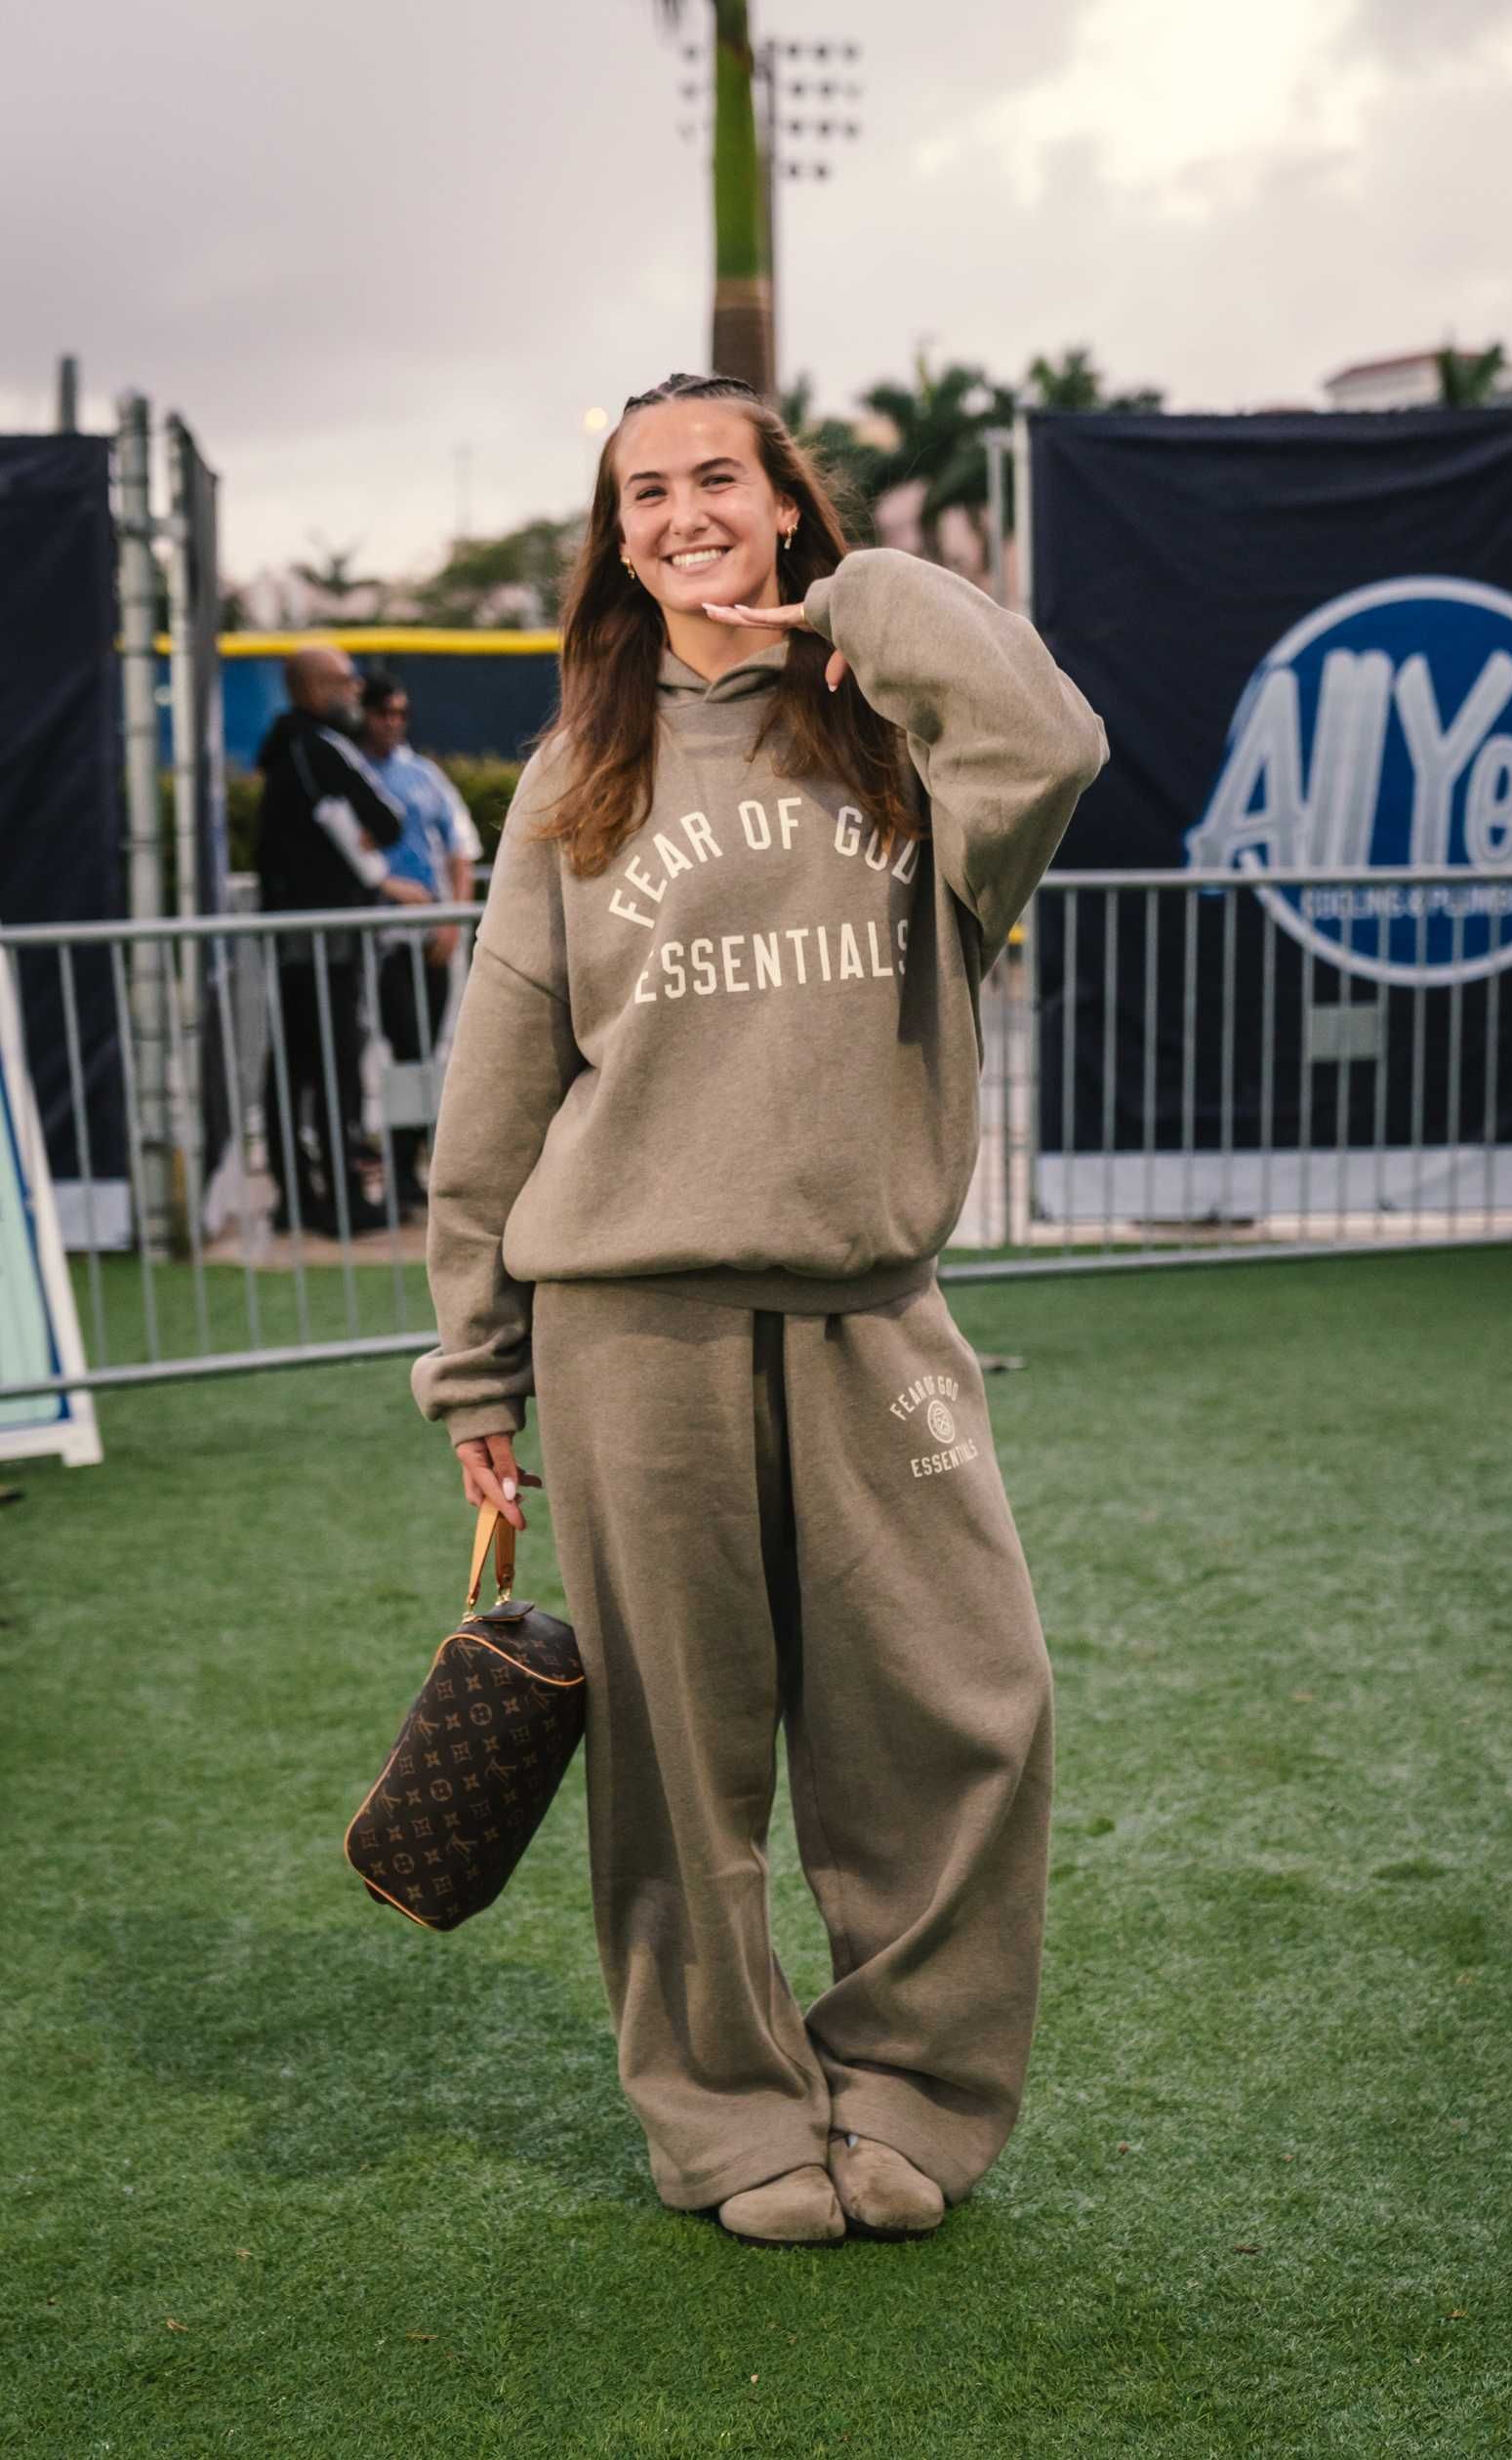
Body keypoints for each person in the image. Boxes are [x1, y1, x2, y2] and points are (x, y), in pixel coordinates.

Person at [410, 371, 1109, 2249]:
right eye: (642, 492)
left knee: (967, 1710)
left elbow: (1052, 739)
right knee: (676, 1764)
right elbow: (501, 1089)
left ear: (784, 503)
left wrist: (867, 602)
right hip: (626, 1333)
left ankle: (910, 2094)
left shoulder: (902, 743)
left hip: (872, 1308)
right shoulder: (581, 772)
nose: (677, 513)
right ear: (615, 535)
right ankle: (731, 2125)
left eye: (715, 476)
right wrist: (472, 1359)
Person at [254, 646, 431, 1235]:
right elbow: (381, 819)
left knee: (298, 1066)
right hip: (324, 945)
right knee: (330, 1068)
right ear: (314, 688)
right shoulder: (317, 748)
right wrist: (382, 878)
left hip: (306, 942)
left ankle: (302, 1195)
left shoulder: (289, 749)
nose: (358, 692)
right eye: (345, 682)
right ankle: (341, 1202)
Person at [356, 675, 482, 1213]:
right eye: (383, 712)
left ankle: (413, 1167)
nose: (393, 722)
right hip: (378, 939)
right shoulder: (354, 772)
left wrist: (452, 922)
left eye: (400, 713)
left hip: (428, 937)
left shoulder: (423, 775)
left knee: (424, 1051)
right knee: (400, 1050)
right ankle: (404, 1166)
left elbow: (460, 849)